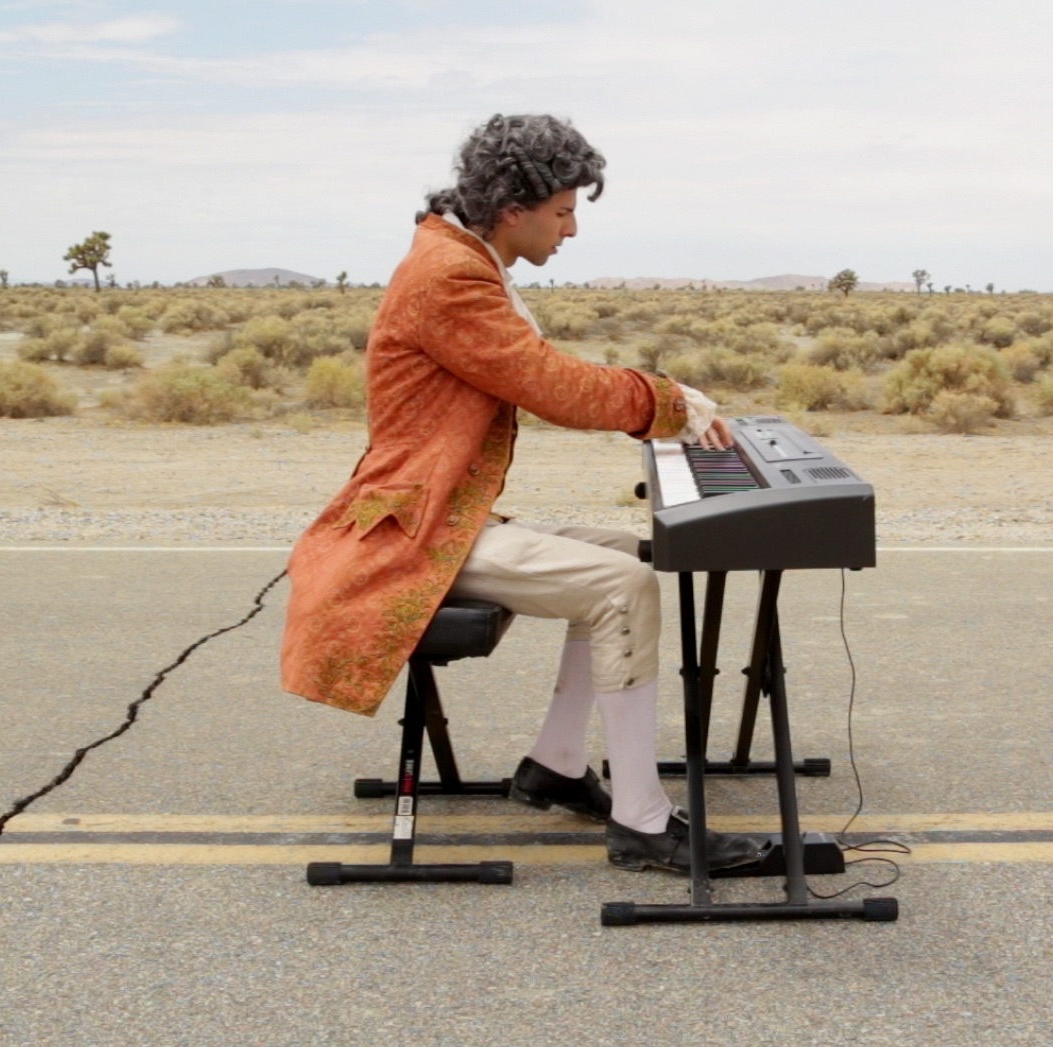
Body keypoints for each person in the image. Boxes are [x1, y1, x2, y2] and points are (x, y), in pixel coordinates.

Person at [280, 113, 764, 873]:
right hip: (414, 531)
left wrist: (665, 405)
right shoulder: (450, 277)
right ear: (513, 210)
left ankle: (558, 762)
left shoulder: (463, 258)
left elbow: (540, 370)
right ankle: (642, 822)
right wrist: (669, 405)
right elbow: (545, 382)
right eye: (563, 211)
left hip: (441, 512)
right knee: (624, 584)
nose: (571, 230)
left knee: (621, 553)